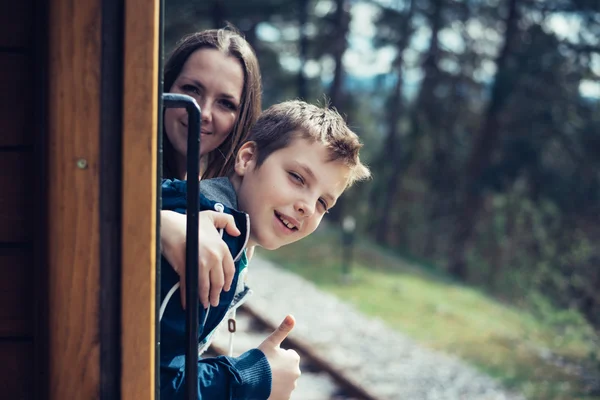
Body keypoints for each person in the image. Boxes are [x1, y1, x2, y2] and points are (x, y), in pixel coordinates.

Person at [159, 100, 371, 399]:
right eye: (297, 177)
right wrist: (254, 376)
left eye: (323, 202)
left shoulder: (221, 230)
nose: (307, 206)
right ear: (246, 158)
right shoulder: (207, 241)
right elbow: (153, 383)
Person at [160, 27, 262, 310]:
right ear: (167, 87)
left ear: (240, 120)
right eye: (191, 89)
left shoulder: (215, 202)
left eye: (225, 103)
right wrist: (159, 225)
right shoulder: (124, 165)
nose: (203, 113)